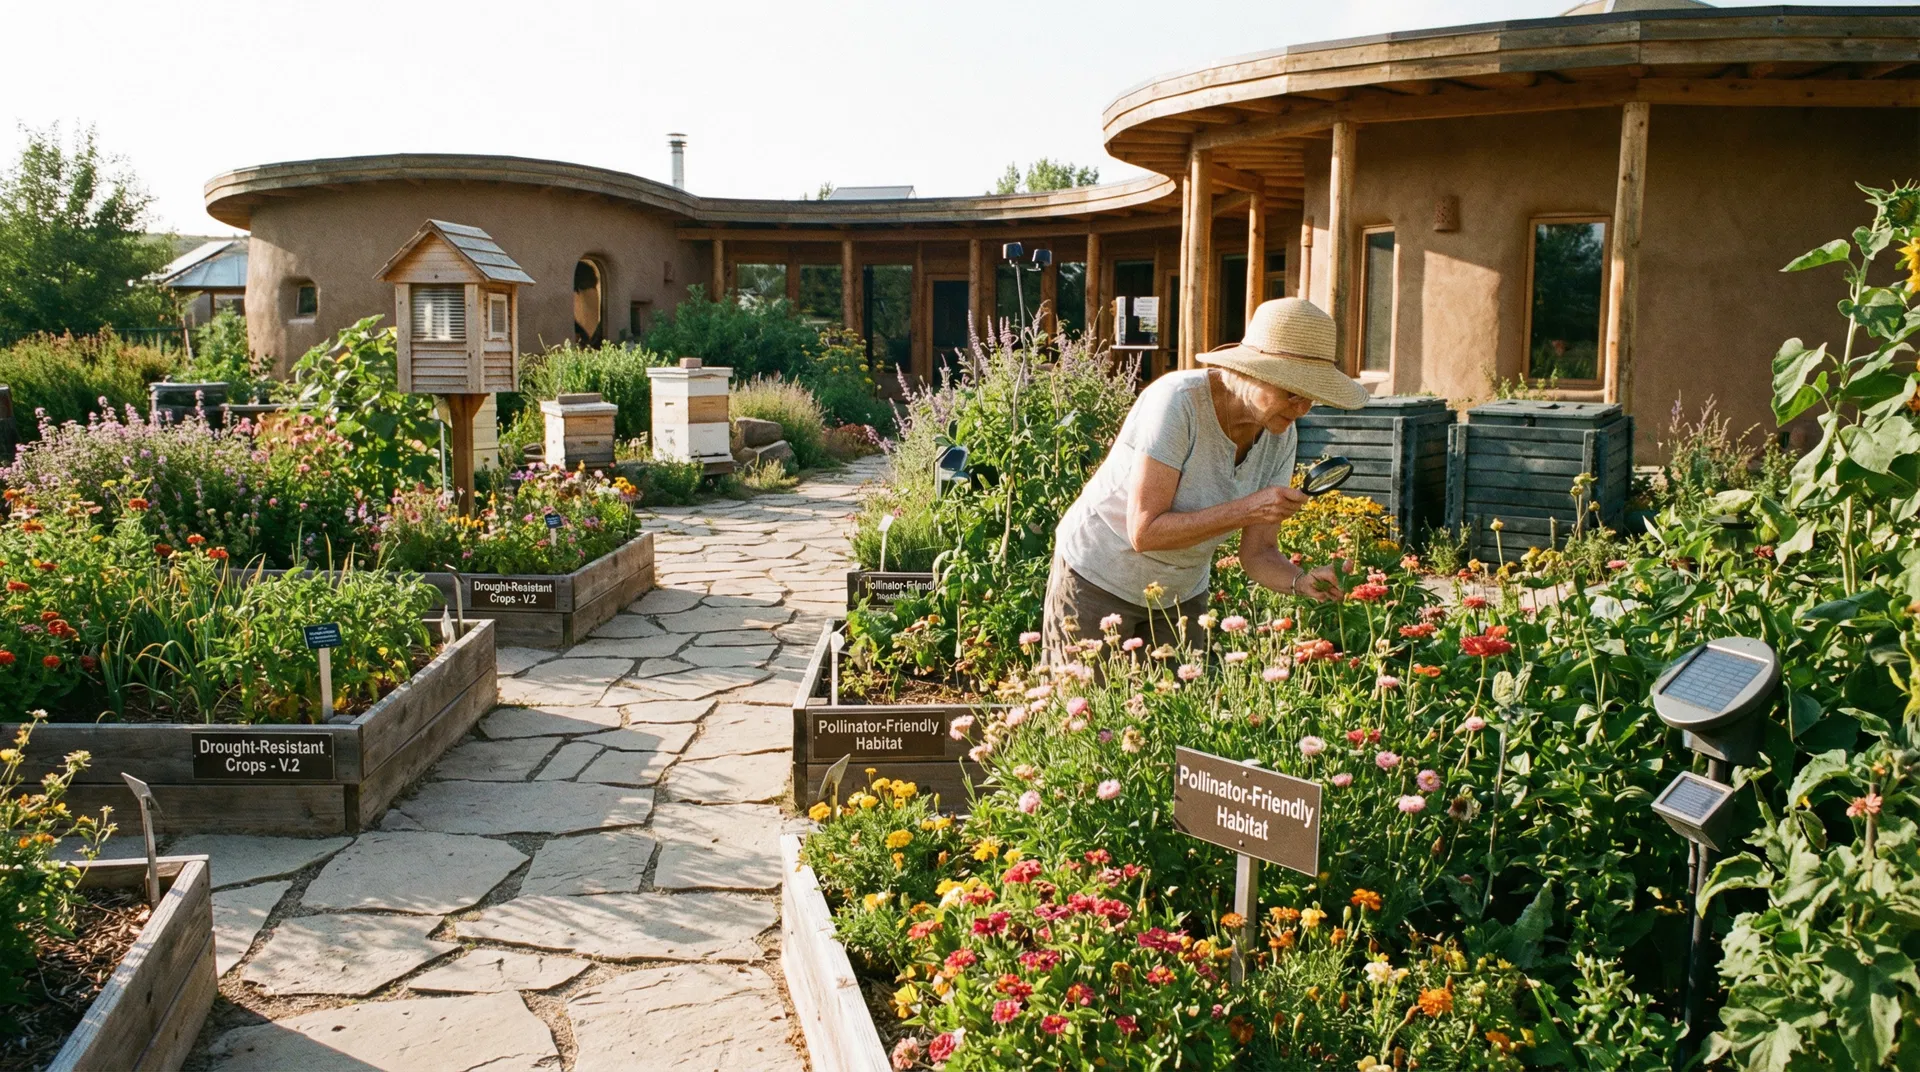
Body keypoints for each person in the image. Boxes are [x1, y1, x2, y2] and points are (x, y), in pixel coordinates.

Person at [1044, 297, 1369, 658]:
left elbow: (1259, 552)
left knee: (1177, 712)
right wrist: (1247, 509)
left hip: (1181, 593)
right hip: (1099, 577)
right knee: (1090, 711)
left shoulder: (1282, 435)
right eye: (1292, 392)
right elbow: (1144, 531)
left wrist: (1301, 582)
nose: (1302, 408)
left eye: (1312, 397)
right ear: (1253, 372)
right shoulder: (1177, 402)